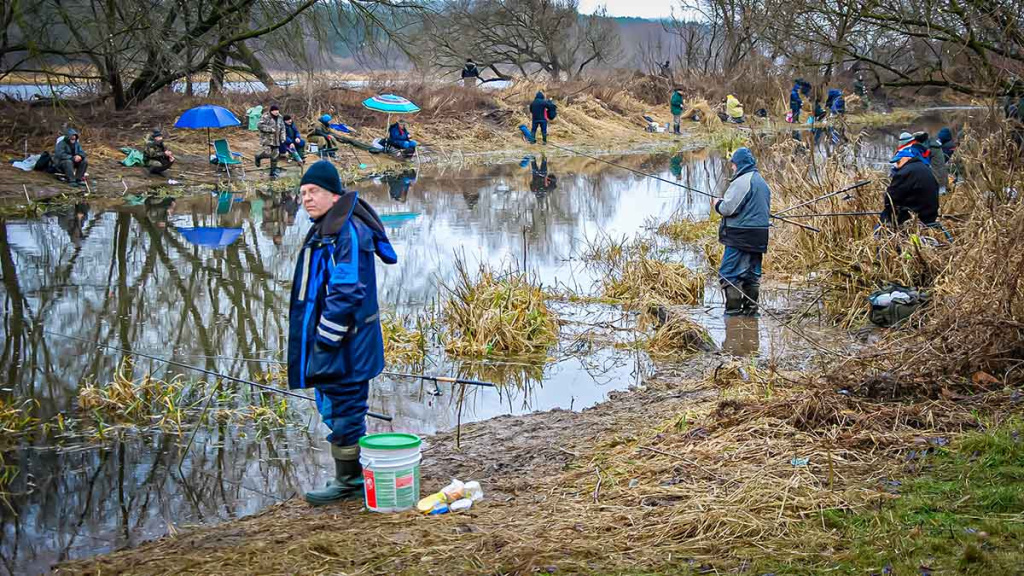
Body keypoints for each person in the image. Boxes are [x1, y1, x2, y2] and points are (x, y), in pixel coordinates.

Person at [288, 160, 398, 506]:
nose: (306, 198)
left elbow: (346, 289)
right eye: (303, 192)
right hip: (341, 341)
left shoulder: (346, 231)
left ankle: (349, 481)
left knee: (346, 405)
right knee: (336, 403)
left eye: (314, 191)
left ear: (334, 195)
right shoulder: (328, 226)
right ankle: (350, 476)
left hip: (347, 342)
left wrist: (325, 340)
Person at [712, 147, 770, 316]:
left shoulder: (742, 181)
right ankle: (751, 313)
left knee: (728, 274)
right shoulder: (761, 182)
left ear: (740, 164)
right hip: (759, 237)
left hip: (740, 237)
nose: (732, 167)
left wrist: (717, 203)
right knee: (752, 275)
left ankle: (733, 315)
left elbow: (727, 208)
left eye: (733, 164)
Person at [881, 131, 939, 227]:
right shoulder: (924, 167)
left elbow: (891, 198)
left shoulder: (905, 172)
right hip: (930, 216)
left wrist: (888, 212)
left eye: (898, 162)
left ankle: (878, 234)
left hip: (916, 218)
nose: (897, 166)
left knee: (882, 221)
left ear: (907, 158)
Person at [255, 104, 286, 178]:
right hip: (267, 139)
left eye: (277, 110)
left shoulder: (280, 117)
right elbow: (259, 126)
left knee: (275, 156)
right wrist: (270, 129)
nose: (276, 112)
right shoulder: (265, 117)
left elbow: (283, 128)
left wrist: (283, 137)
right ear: (271, 111)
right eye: (274, 110)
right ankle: (258, 157)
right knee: (268, 153)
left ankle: (272, 173)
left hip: (276, 140)